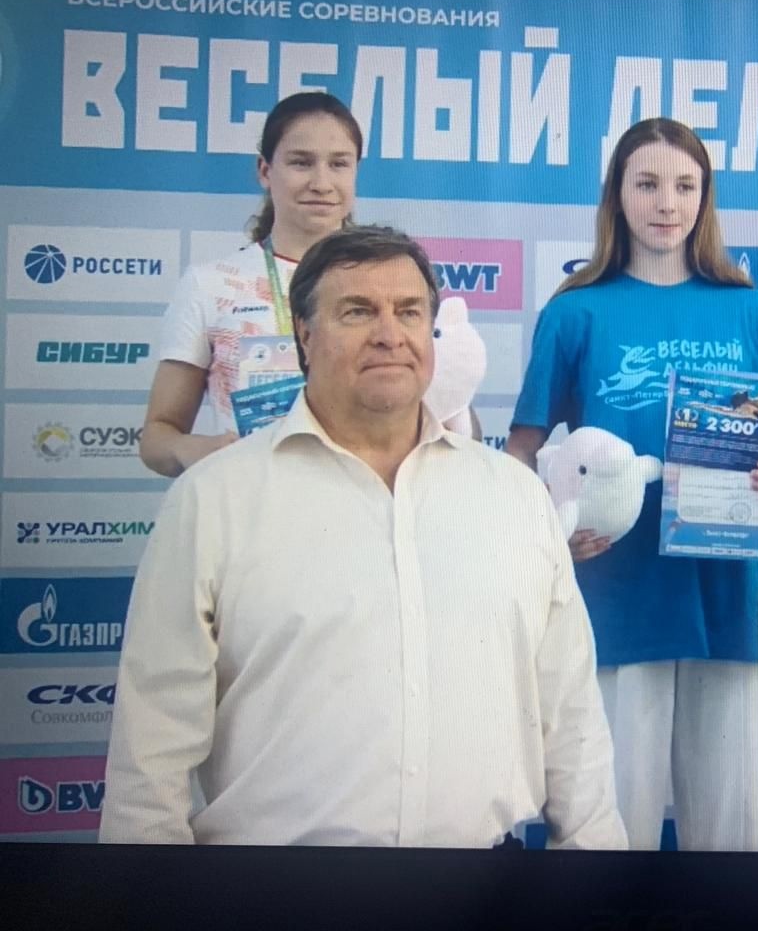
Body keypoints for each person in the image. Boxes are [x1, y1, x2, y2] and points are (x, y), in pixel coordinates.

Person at [100, 226, 626, 849]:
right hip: (272, 887)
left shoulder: (514, 496)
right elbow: (151, 752)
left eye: (409, 312)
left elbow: (571, 712)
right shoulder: (212, 500)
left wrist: (594, 866)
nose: (389, 334)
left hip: (485, 884)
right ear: (304, 334)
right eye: (357, 311)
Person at [506, 118, 758, 851]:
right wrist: (547, 538)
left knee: (734, 831)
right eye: (646, 184)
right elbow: (520, 457)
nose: (666, 203)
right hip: (616, 592)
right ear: (617, 193)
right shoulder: (576, 310)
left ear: (705, 197)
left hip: (727, 593)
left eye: (685, 185)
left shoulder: (751, 310)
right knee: (611, 825)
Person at [139, 92, 363, 477]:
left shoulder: (390, 282)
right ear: (264, 170)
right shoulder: (212, 285)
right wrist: (198, 450)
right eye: (301, 162)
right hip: (250, 501)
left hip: (361, 501)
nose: (321, 183)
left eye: (338, 164)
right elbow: (156, 439)